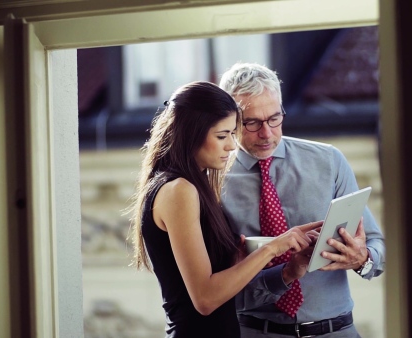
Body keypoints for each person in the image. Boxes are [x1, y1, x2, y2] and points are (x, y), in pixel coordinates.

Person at [129, 81, 322, 338]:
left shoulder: (192, 187)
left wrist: (236, 260)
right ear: (190, 133)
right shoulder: (179, 190)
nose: (231, 146)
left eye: (233, 134)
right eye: (222, 136)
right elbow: (205, 299)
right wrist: (274, 247)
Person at [219, 63, 386, 338]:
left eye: (275, 118)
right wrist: (284, 273)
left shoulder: (328, 161)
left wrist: (363, 258)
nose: (267, 133)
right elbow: (216, 288)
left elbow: (376, 245)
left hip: (336, 331)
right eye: (252, 122)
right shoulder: (211, 182)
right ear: (229, 120)